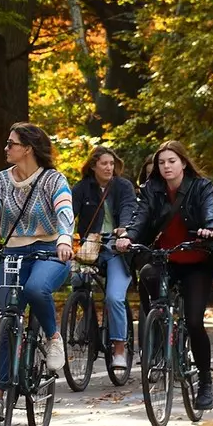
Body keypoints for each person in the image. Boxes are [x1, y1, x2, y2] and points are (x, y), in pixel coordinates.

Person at [118, 140, 213, 411]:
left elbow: (211, 212)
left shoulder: (201, 187)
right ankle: (160, 330)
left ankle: (205, 382)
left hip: (196, 260)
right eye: (162, 162)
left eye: (172, 161)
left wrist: (209, 229)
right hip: (166, 259)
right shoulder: (151, 189)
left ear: (183, 163)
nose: (166, 167)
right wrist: (128, 236)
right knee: (148, 276)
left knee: (196, 321)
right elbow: (140, 218)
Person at [0, 122, 75, 370]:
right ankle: (1, 394)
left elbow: (65, 211)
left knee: (36, 289)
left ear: (27, 148)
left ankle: (53, 337)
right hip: (13, 253)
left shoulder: (53, 180)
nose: (5, 148)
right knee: (7, 317)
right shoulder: (0, 181)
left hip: (50, 251)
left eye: (10, 144)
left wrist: (65, 238)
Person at [72, 146, 138, 374]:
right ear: (93, 166)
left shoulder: (123, 186)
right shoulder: (82, 188)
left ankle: (119, 348)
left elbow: (130, 208)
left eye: (112, 163)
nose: (109, 167)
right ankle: (85, 322)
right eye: (104, 164)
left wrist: (124, 231)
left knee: (114, 297)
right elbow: (68, 213)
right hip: (90, 248)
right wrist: (63, 237)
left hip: (117, 248)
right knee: (77, 282)